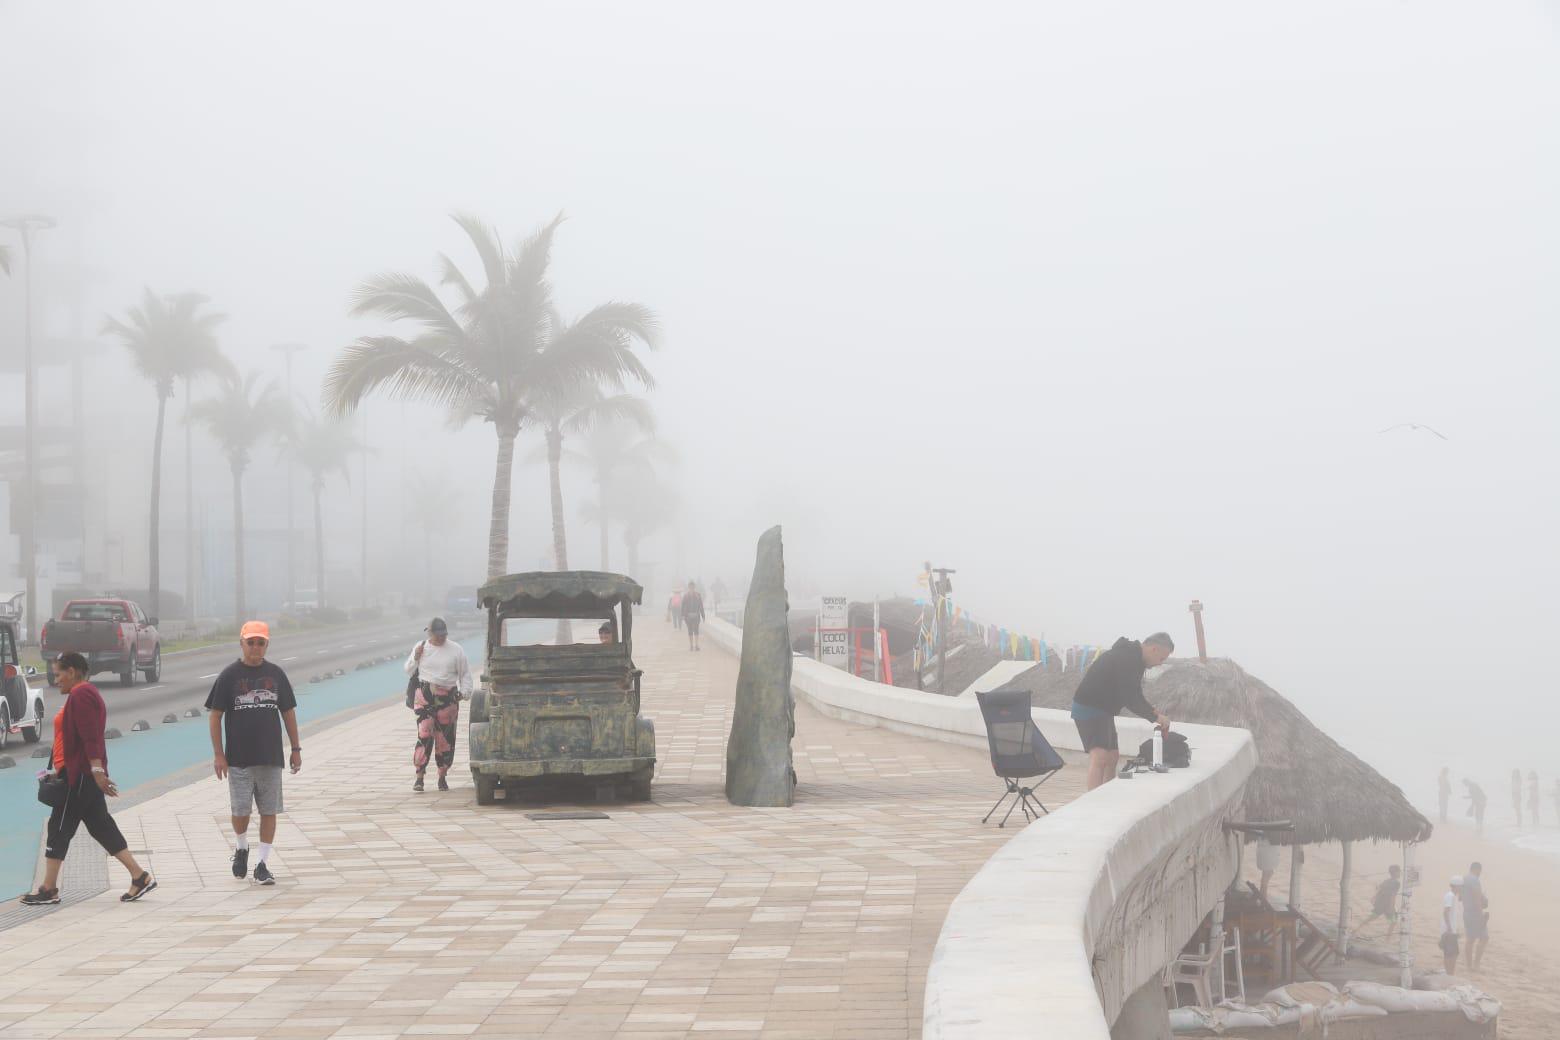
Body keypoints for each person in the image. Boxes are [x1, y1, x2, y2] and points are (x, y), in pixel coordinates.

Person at [19, 652, 155, 906]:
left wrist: (96, 770)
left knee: (59, 828)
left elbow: (91, 737)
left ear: (72, 671)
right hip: (82, 774)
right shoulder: (83, 694)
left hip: (78, 776)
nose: (55, 679)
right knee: (100, 826)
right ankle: (140, 876)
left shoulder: (81, 695)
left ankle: (48, 889)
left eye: (58, 674)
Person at [207, 621, 300, 886]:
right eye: (251, 642)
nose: (256, 647)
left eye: (261, 642)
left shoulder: (277, 674)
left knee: (269, 810)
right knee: (241, 811)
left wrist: (295, 749)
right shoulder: (229, 676)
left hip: (270, 756)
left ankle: (262, 864)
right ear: (242, 643)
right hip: (238, 759)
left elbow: (288, 712)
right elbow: (215, 716)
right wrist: (219, 754)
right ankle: (242, 846)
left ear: (267, 645)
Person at [1069, 632, 1174, 791]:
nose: (1160, 663)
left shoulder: (1136, 660)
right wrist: (1155, 717)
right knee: (1100, 757)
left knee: (1112, 757)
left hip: (1104, 710)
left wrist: (1153, 712)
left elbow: (1136, 693)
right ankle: (1093, 802)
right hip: (1088, 707)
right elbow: (1129, 698)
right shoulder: (1127, 658)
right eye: (1162, 659)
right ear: (1154, 649)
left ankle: (1107, 793)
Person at [405, 616, 472, 792]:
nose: (441, 638)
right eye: (437, 635)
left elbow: (465, 674)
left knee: (445, 738)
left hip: (447, 697)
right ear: (430, 633)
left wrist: (465, 692)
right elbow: (408, 670)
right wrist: (415, 658)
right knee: (425, 733)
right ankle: (419, 776)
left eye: (443, 635)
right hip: (425, 695)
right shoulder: (421, 647)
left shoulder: (456, 649)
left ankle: (442, 775)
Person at [1361, 864, 1402, 938]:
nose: (1400, 873)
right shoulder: (1397, 883)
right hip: (1387, 905)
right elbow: (1393, 896)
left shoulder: (1387, 881)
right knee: (1394, 921)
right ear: (1395, 873)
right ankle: (1387, 939)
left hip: (1380, 903)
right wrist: (1391, 908)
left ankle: (1355, 930)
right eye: (1399, 871)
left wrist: (1374, 898)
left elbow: (1379, 888)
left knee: (1371, 918)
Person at [1462, 862, 1489, 970]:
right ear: (1477, 870)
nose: (1480, 874)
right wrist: (1481, 913)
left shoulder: (1464, 879)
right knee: (1484, 938)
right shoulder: (1474, 880)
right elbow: (1477, 898)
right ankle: (1476, 965)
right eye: (1480, 872)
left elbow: (1461, 897)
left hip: (1467, 912)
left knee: (1470, 939)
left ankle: (1469, 966)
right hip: (1475, 913)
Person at [1440, 876, 1463, 974]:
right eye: (1461, 887)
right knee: (1452, 954)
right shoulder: (1450, 896)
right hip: (1449, 931)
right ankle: (1450, 973)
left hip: (1450, 930)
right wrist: (1449, 928)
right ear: (1457, 886)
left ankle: (1449, 973)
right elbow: (1446, 912)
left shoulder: (1452, 896)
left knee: (1451, 953)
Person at [681, 580, 706, 651]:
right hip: (688, 616)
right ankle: (692, 645)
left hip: (696, 615)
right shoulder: (686, 596)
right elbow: (682, 606)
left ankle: (696, 645)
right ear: (689, 587)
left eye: (692, 587)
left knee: (696, 630)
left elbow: (701, 606)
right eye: (690, 587)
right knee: (690, 630)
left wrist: (703, 615)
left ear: (694, 587)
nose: (691, 588)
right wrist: (682, 615)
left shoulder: (697, 595)